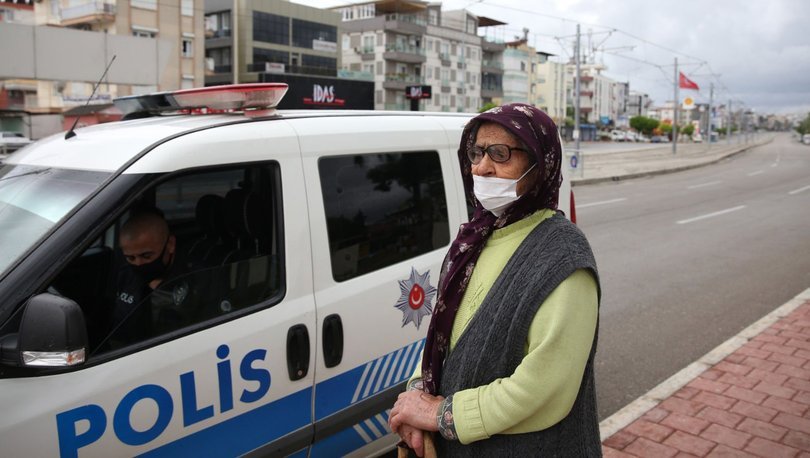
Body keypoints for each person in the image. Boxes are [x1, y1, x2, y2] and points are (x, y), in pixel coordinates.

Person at [388, 103, 601, 456]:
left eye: (500, 154)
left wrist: (441, 414)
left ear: (538, 164)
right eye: (476, 152)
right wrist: (416, 392)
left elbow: (545, 389)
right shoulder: (474, 239)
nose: (482, 167)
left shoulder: (563, 256)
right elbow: (443, 336)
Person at [109, 208, 190, 347]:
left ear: (170, 245)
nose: (138, 264)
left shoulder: (195, 280)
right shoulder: (124, 275)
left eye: (147, 256)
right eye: (130, 258)